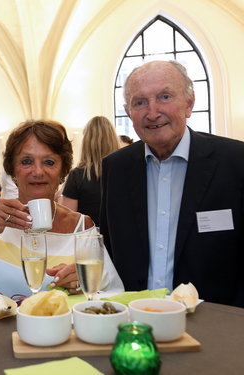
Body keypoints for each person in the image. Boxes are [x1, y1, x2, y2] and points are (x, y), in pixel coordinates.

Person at [100, 60, 244, 307]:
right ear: (128, 111)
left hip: (215, 324)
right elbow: (109, 252)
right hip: (134, 323)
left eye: (164, 97)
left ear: (189, 103)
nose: (153, 112)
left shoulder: (235, 162)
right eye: (140, 102)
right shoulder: (115, 168)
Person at [0, 120, 123, 302]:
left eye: (49, 162)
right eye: (26, 161)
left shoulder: (81, 227)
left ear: (63, 171)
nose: (38, 171)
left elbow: (113, 295)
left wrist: (83, 285)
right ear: (12, 171)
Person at [61, 116, 120, 225]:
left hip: (88, 239)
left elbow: (67, 220)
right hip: (120, 238)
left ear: (86, 142)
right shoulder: (125, 172)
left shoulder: (77, 176)